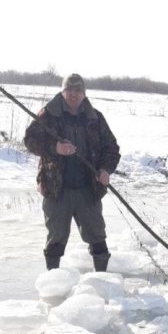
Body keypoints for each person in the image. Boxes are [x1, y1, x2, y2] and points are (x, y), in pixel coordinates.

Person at [24, 73, 120, 271]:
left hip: (88, 189)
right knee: (56, 240)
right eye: (69, 90)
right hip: (56, 189)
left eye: (78, 90)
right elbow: (30, 141)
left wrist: (105, 170)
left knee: (97, 238)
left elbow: (111, 149)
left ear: (84, 94)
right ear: (63, 91)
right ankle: (53, 284)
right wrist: (55, 147)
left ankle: (102, 280)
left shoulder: (95, 118)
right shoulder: (48, 115)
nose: (73, 94)